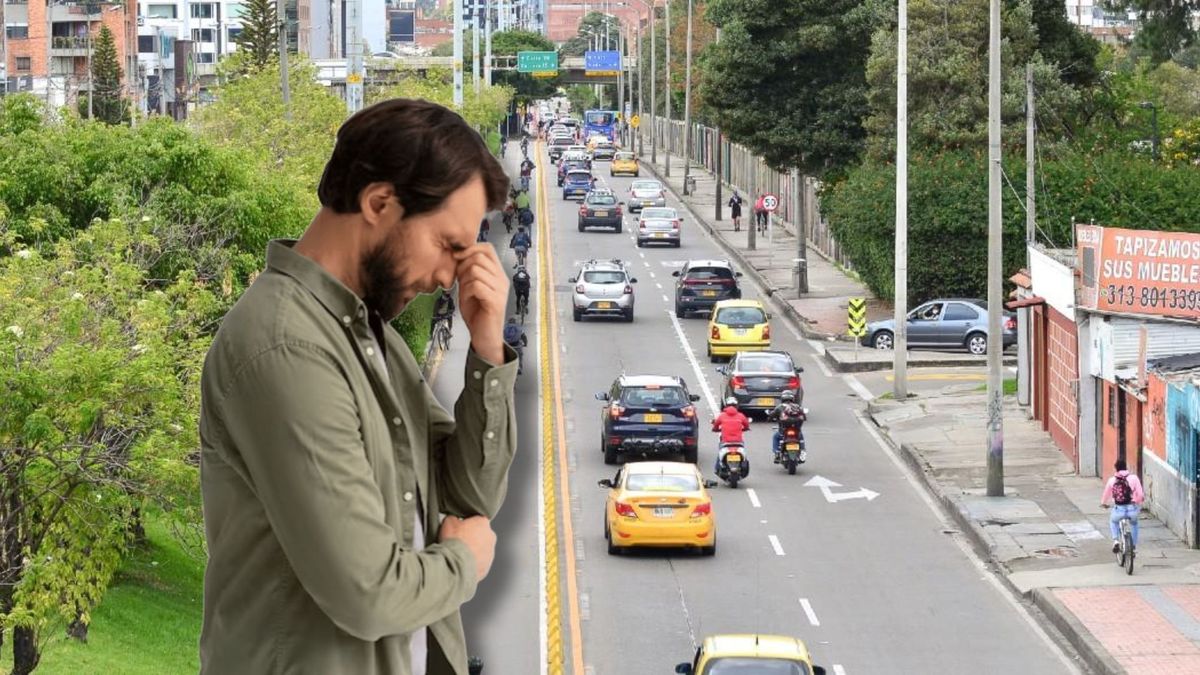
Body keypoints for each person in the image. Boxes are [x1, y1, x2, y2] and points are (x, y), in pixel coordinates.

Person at [198, 98, 518, 675]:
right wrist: (464, 562)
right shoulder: (287, 348)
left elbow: (465, 497)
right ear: (378, 202)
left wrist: (488, 348)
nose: (452, 275)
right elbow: (368, 593)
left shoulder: (370, 336)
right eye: (448, 245)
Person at [1101, 458, 1145, 553]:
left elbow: (1106, 495)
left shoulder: (1112, 480)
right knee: (1134, 524)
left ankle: (1116, 541)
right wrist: (1137, 501)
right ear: (1126, 467)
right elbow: (1141, 495)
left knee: (1113, 521)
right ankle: (1133, 546)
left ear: (1116, 469)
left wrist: (1103, 503)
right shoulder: (1134, 478)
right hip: (1132, 509)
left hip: (1118, 510)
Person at [711, 397, 751, 474]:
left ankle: (716, 469)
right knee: (744, 456)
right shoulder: (741, 415)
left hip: (725, 442)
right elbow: (746, 425)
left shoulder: (722, 416)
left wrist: (715, 429)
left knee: (720, 454)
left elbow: (715, 426)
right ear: (736, 406)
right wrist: (745, 428)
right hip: (738, 442)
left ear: (726, 406)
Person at [766, 390, 806, 462]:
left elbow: (771, 415)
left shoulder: (780, 407)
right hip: (797, 430)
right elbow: (804, 417)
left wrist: (769, 418)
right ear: (792, 398)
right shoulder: (797, 406)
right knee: (800, 437)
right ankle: (802, 451)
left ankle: (777, 453)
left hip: (783, 431)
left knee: (775, 437)